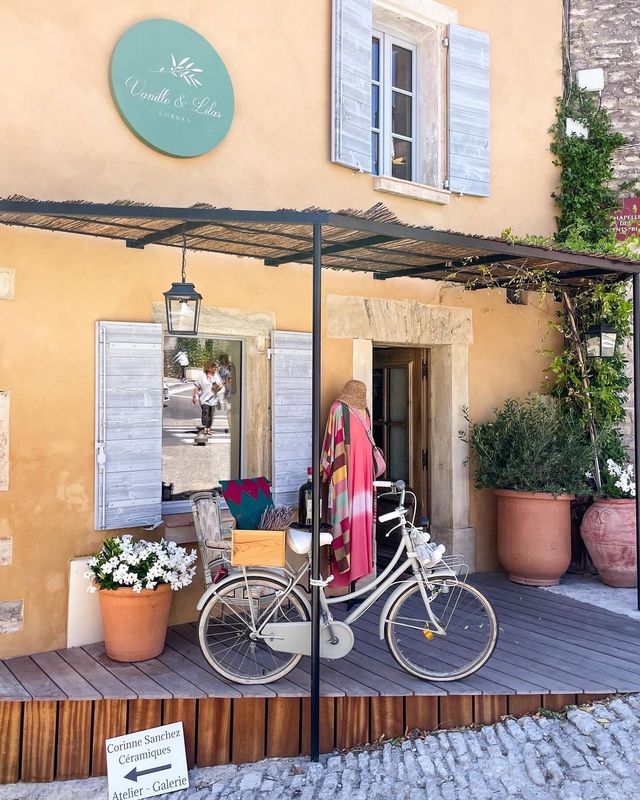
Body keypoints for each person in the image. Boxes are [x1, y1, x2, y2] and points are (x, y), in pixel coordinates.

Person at [192, 363, 224, 435]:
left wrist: (218, 387)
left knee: (210, 414)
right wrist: (195, 396)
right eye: (213, 367)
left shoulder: (215, 376)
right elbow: (196, 386)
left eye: (215, 368)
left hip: (213, 398)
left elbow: (220, 384)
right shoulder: (202, 376)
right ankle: (204, 428)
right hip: (204, 398)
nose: (214, 369)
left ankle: (209, 428)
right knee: (205, 412)